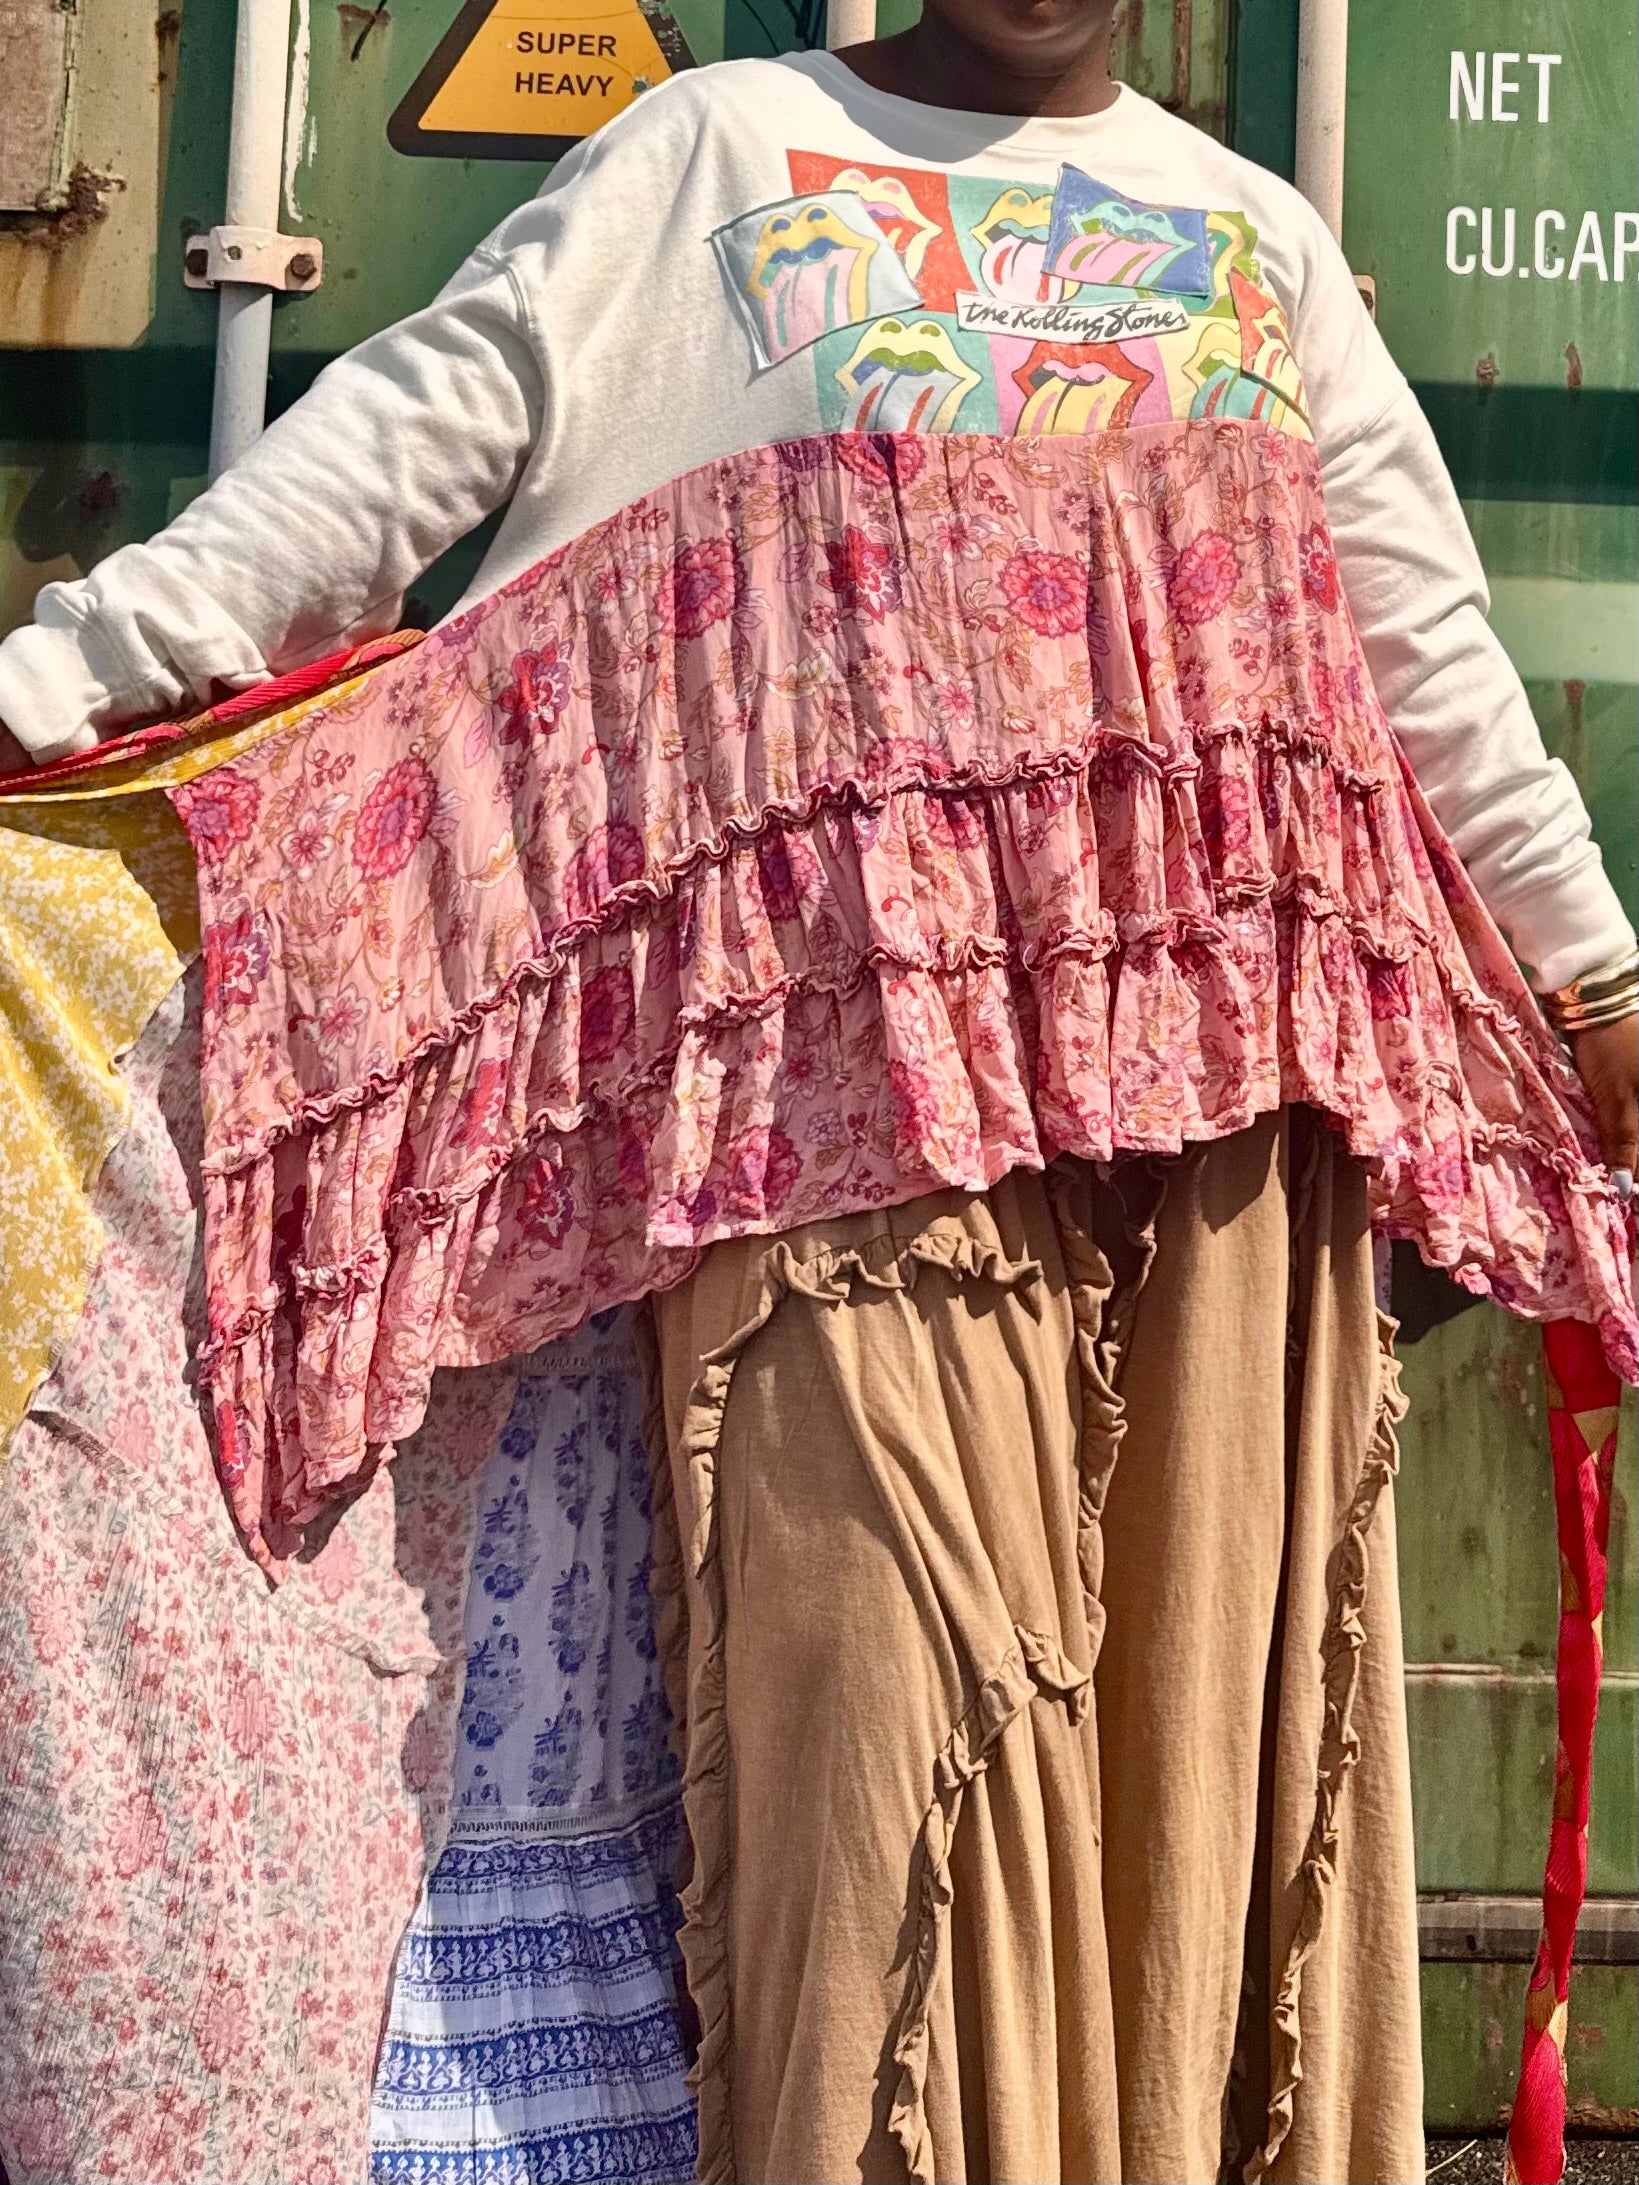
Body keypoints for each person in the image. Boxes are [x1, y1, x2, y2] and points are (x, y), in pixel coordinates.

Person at [1, 4, 1634, 2181]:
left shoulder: (1257, 241)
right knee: (881, 1795)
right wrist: (51, 686)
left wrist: (1595, 980)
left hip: (1231, 1170)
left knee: (1193, 1806)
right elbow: (381, 461)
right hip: (839, 1158)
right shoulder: (715, 156)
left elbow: (1424, 659)